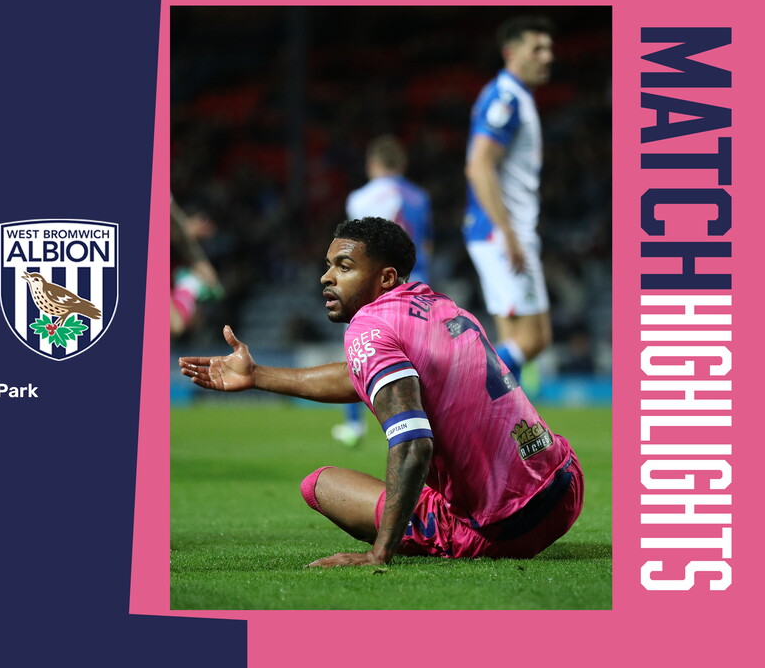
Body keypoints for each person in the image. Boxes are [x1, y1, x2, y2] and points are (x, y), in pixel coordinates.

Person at [179, 218, 583, 567]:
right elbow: (358, 373)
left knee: (320, 485)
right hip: (564, 487)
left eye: (344, 266)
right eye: (328, 266)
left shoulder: (367, 327)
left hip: (506, 528)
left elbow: (413, 444)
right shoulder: (440, 305)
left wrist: (380, 551)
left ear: (385, 277)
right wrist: (257, 375)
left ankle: (428, 531)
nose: (327, 277)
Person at [463, 15, 555, 383]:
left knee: (512, 340)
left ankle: (504, 434)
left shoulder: (514, 96)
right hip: (501, 232)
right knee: (533, 340)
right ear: (511, 52)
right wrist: (508, 232)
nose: (547, 57)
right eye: (538, 48)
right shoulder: (506, 98)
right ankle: (463, 390)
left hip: (495, 232)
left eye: (549, 49)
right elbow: (479, 166)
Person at [332, 135, 433, 447]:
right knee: (421, 355)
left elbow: (356, 247)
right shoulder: (419, 197)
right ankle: (429, 419)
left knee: (362, 351)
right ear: (401, 164)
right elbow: (426, 244)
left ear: (372, 164)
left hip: (374, 284)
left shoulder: (359, 198)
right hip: (416, 282)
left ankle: (354, 425)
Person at [170, 194, 222, 338]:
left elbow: (213, 281)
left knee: (177, 326)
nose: (208, 232)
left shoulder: (188, 248)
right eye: (205, 224)